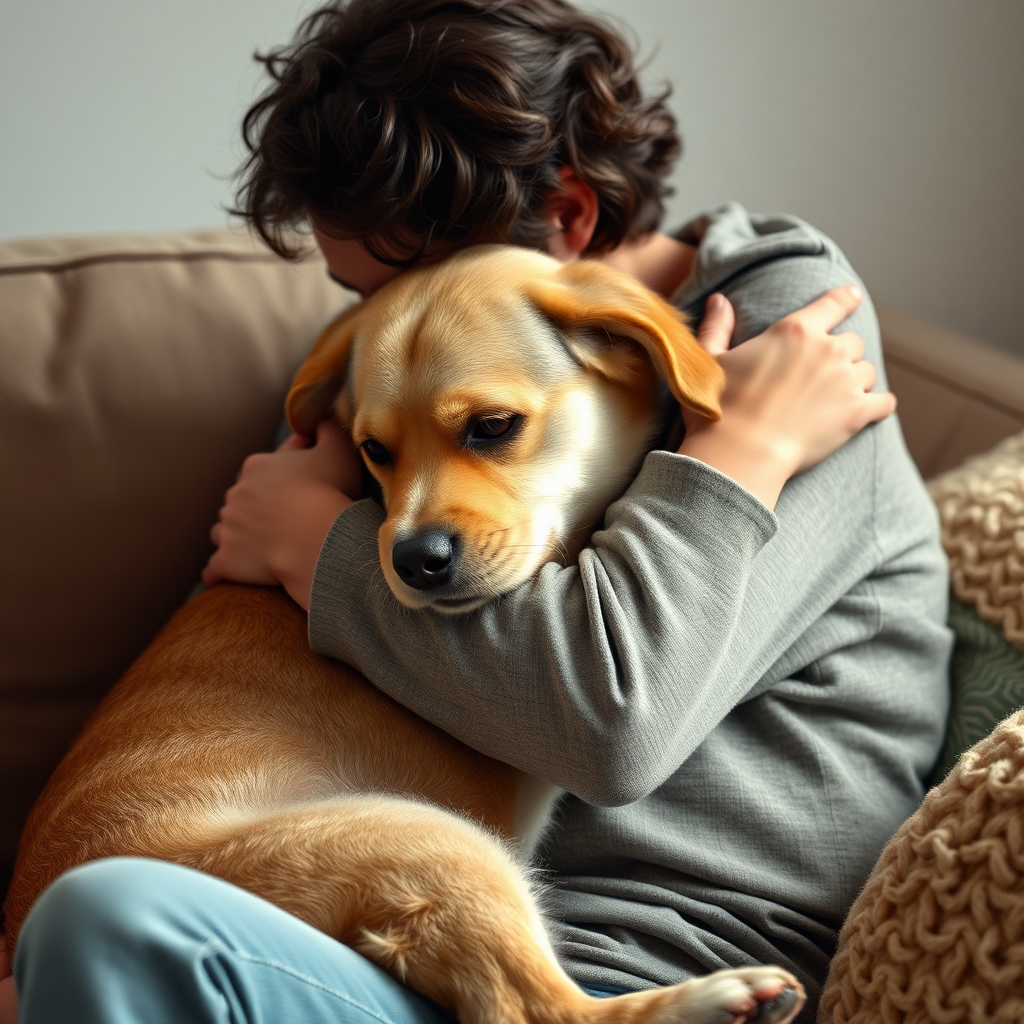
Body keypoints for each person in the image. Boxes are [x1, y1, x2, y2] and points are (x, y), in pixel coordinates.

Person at [7, 1, 951, 1022]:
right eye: (351, 288)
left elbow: (611, 724)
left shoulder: (791, 334)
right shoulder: (395, 374)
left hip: (650, 962)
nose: (375, 327)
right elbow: (242, 680)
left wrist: (322, 550)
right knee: (94, 918)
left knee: (111, 917)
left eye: (411, 283)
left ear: (572, 220)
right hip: (394, 952)